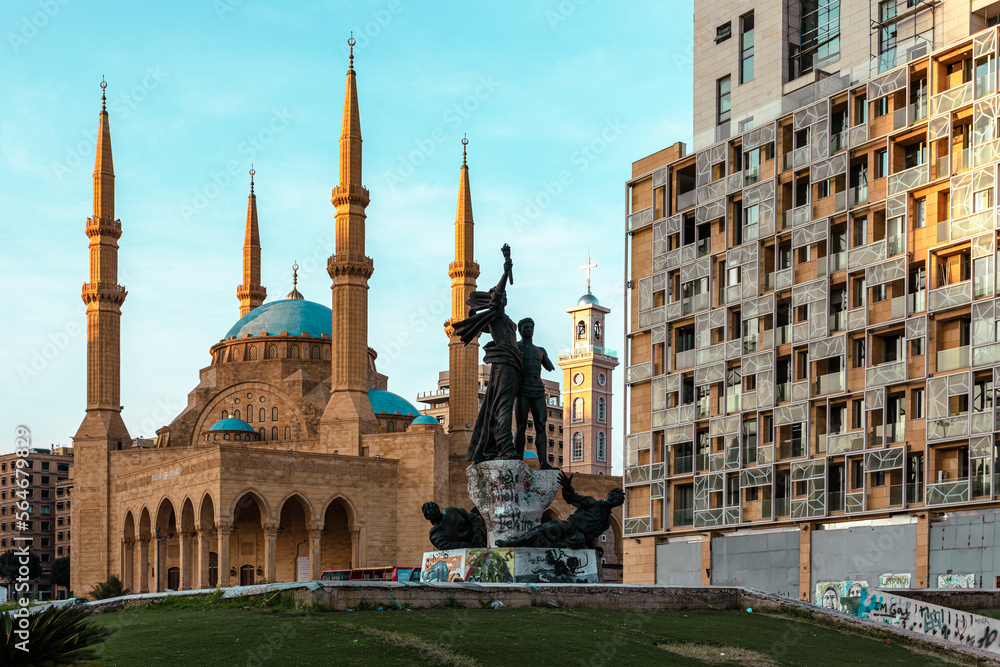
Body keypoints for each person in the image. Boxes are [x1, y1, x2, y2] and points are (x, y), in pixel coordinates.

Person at [453, 245, 522, 463]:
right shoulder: (495, 314)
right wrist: (504, 271)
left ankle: (501, 446)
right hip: (504, 364)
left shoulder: (506, 319)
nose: (503, 297)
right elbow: (498, 296)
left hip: (514, 364)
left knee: (505, 405)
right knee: (502, 406)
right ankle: (505, 446)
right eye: (500, 295)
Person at [496, 472, 624, 549]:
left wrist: (594, 548)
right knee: (557, 526)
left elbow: (590, 537)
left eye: (616, 499)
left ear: (617, 504)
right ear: (608, 495)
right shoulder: (592, 503)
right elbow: (572, 498)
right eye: (612, 495)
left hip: (577, 537)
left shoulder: (606, 522)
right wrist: (567, 487)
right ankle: (514, 542)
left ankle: (542, 547)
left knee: (579, 539)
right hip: (569, 526)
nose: (612, 499)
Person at [514, 317, 556, 469]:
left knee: (541, 425)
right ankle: (518, 460)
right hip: (522, 389)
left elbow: (549, 366)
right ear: (520, 330)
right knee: (521, 425)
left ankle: (544, 462)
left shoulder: (540, 351)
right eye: (526, 327)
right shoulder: (516, 348)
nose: (529, 329)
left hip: (538, 389)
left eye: (531, 327)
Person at [421, 501, 486, 550]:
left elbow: (474, 518)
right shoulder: (436, 535)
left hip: (483, 539)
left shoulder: (451, 511)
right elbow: (454, 547)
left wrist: (477, 534)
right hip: (473, 551)